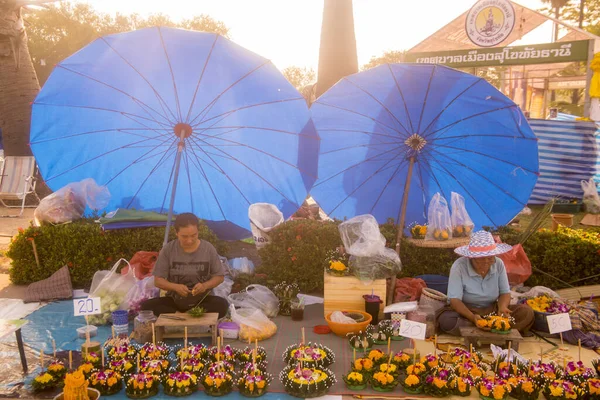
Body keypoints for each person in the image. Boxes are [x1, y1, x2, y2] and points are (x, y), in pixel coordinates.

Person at [437, 230, 534, 336]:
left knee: (526, 313)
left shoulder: (498, 264)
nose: (487, 263)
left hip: (492, 310)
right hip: (467, 311)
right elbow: (454, 300)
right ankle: (495, 329)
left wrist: (502, 308)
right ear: (471, 257)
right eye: (481, 259)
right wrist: (473, 318)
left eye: (490, 258)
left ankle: (486, 327)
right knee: (447, 320)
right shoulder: (459, 266)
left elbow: (505, 293)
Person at [141, 213, 229, 318]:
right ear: (176, 233)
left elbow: (219, 277)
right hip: (175, 301)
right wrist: (175, 287)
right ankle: (187, 316)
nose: (189, 240)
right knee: (146, 306)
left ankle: (180, 317)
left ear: (198, 231)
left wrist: (205, 286)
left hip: (202, 301)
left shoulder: (208, 248)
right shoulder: (168, 250)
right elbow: (158, 281)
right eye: (184, 236)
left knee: (222, 305)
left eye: (193, 235)